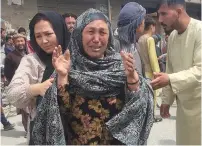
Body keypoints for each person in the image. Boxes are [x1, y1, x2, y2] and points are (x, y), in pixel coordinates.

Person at [31, 8, 154, 145]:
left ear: (109, 36)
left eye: (102, 32)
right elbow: (58, 116)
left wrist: (132, 79)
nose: (96, 39)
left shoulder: (121, 66)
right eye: (90, 32)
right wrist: (63, 77)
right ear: (79, 34)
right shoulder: (67, 66)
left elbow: (137, 109)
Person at [6, 11, 69, 143]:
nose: (44, 41)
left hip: (74, 130)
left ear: (59, 30)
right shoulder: (32, 61)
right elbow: (12, 94)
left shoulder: (76, 57)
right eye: (38, 36)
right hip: (42, 135)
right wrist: (36, 89)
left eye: (48, 34)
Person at [151, 0, 201, 145]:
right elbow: (170, 69)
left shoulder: (199, 31)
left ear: (178, 12)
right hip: (184, 107)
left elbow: (200, 70)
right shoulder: (172, 37)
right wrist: (166, 100)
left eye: (164, 14)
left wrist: (169, 79)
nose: (160, 20)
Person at [138, 16, 162, 122]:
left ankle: (145, 115)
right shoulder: (150, 39)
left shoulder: (140, 38)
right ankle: (151, 116)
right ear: (152, 26)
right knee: (154, 96)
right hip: (151, 72)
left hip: (142, 70)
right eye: (154, 26)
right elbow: (153, 58)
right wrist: (157, 73)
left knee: (145, 96)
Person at [114, 2, 146, 77]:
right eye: (143, 22)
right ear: (138, 25)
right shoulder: (114, 45)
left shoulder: (135, 45)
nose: (144, 25)